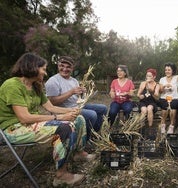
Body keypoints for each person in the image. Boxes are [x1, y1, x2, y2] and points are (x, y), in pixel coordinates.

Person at [0, 53, 95, 186]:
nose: (45, 72)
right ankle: (61, 175)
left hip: (30, 124)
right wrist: (59, 117)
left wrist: (71, 111)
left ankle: (79, 153)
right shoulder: (12, 85)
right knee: (64, 127)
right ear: (33, 67)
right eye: (43, 69)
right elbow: (24, 117)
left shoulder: (36, 86)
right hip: (12, 129)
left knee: (79, 118)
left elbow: (50, 107)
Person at [45, 56, 107, 141]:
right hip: (64, 110)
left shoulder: (74, 80)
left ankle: (92, 133)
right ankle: (83, 141)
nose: (64, 69)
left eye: (68, 67)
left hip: (77, 106)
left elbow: (78, 98)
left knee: (103, 108)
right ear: (58, 66)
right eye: (62, 66)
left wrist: (82, 93)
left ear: (72, 68)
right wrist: (71, 92)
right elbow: (52, 102)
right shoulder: (53, 81)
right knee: (92, 115)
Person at [159, 59, 178, 134]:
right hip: (164, 98)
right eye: (166, 70)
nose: (167, 71)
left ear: (172, 71)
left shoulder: (176, 78)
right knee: (165, 108)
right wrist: (164, 86)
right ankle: (163, 125)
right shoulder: (162, 79)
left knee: (173, 108)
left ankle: (171, 126)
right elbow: (160, 91)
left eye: (169, 70)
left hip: (174, 98)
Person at [137, 68, 160, 137]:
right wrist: (140, 96)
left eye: (150, 76)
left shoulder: (157, 85)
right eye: (147, 76)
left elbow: (156, 97)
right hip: (143, 101)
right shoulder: (143, 83)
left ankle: (150, 128)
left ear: (154, 77)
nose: (148, 77)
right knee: (144, 110)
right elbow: (138, 94)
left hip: (152, 102)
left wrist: (151, 90)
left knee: (149, 109)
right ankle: (141, 128)